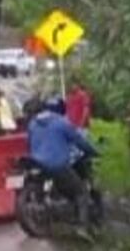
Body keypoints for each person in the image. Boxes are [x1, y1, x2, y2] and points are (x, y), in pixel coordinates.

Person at [27, 97, 99, 232]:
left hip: (37, 163)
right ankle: (82, 227)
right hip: (57, 164)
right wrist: (94, 151)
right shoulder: (61, 122)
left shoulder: (32, 124)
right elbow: (79, 141)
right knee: (81, 192)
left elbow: (29, 143)